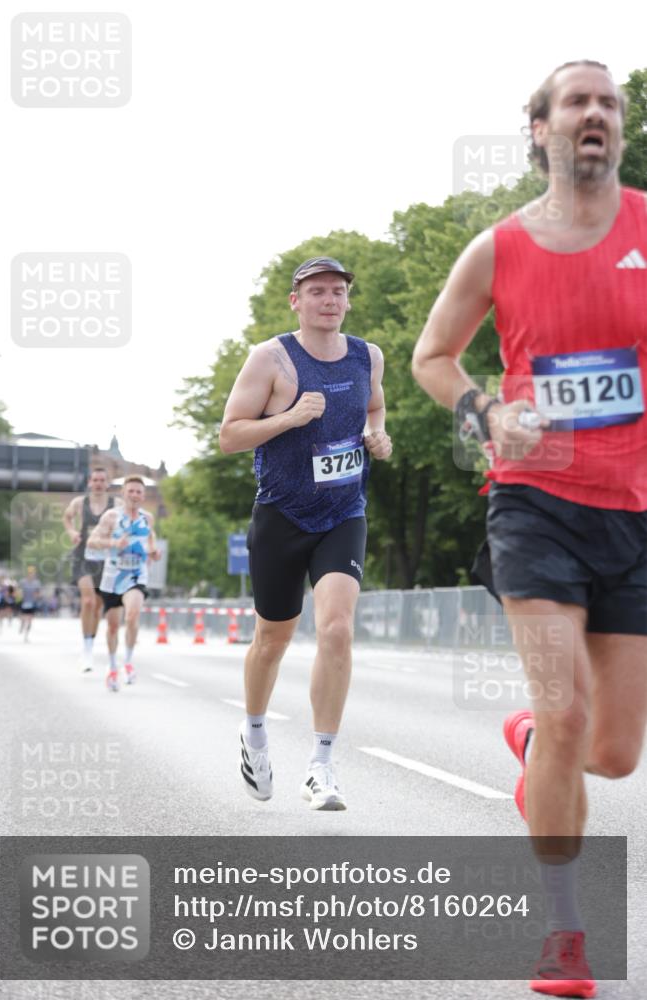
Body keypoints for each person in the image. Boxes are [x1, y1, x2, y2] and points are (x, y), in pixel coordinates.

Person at [412, 60, 646, 998]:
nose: (595, 113)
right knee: (565, 712)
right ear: (540, 128)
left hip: (631, 511)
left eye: (608, 103)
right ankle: (563, 932)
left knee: (611, 753)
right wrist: (484, 411)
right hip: (533, 504)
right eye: (576, 101)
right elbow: (433, 355)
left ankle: (532, 746)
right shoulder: (498, 248)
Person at [220, 256, 392, 811]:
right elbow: (230, 435)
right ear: (296, 301)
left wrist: (378, 435)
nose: (329, 300)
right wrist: (289, 419)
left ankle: (321, 766)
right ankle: (254, 732)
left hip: (343, 513)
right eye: (317, 291)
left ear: (348, 300)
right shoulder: (271, 358)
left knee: (337, 629)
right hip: (282, 516)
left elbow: (375, 407)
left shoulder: (368, 356)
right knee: (272, 638)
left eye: (338, 291)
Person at [86, 476, 160, 692]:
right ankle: (112, 667)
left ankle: (128, 661)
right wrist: (114, 543)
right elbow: (92, 541)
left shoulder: (148, 518)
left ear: (143, 496)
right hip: (113, 577)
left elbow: (150, 541)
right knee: (112, 626)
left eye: (139, 492)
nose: (134, 495)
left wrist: (154, 552)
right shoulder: (111, 517)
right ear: (123, 493)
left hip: (137, 575)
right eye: (131, 491)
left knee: (132, 615)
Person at [63, 467, 117, 671]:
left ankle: (90, 644)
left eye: (102, 480)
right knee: (88, 601)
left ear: (107, 483)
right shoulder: (79, 502)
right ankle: (86, 650)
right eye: (95, 480)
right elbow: (67, 518)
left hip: (105, 560)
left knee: (97, 607)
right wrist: (71, 532)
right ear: (89, 482)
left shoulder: (116, 505)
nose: (98, 484)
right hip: (82, 557)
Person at [18, 566, 42, 642]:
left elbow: (38, 592)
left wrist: (37, 596)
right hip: (23, 602)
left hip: (32, 603)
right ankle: (22, 625)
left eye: (33, 573)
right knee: (23, 618)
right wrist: (20, 594)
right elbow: (18, 591)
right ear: (27, 573)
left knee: (30, 620)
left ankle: (26, 635)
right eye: (30, 573)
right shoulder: (22, 581)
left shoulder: (37, 582)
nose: (31, 574)